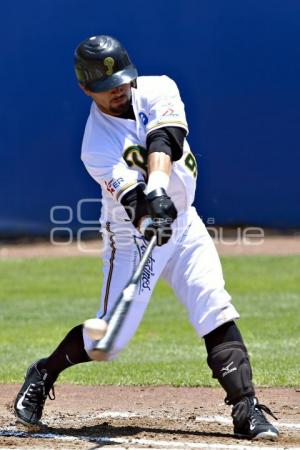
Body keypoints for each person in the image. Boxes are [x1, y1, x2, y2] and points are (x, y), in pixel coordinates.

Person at [14, 35, 278, 441]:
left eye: (120, 79)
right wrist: (149, 214)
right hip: (132, 235)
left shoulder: (160, 87)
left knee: (213, 303)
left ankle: (247, 408)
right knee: (110, 341)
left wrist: (158, 187)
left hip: (185, 222)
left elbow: (165, 138)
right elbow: (132, 202)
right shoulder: (95, 145)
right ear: (85, 88)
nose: (117, 89)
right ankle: (44, 371)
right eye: (105, 86)